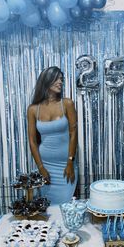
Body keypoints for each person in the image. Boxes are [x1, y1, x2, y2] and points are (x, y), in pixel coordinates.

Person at [27, 66, 78, 204]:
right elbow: (32, 141)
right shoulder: (33, 110)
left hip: (65, 165)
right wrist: (41, 168)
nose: (60, 82)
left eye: (61, 79)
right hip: (46, 165)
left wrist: (70, 162)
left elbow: (73, 134)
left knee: (65, 205)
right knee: (47, 208)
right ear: (46, 81)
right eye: (57, 79)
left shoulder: (67, 104)